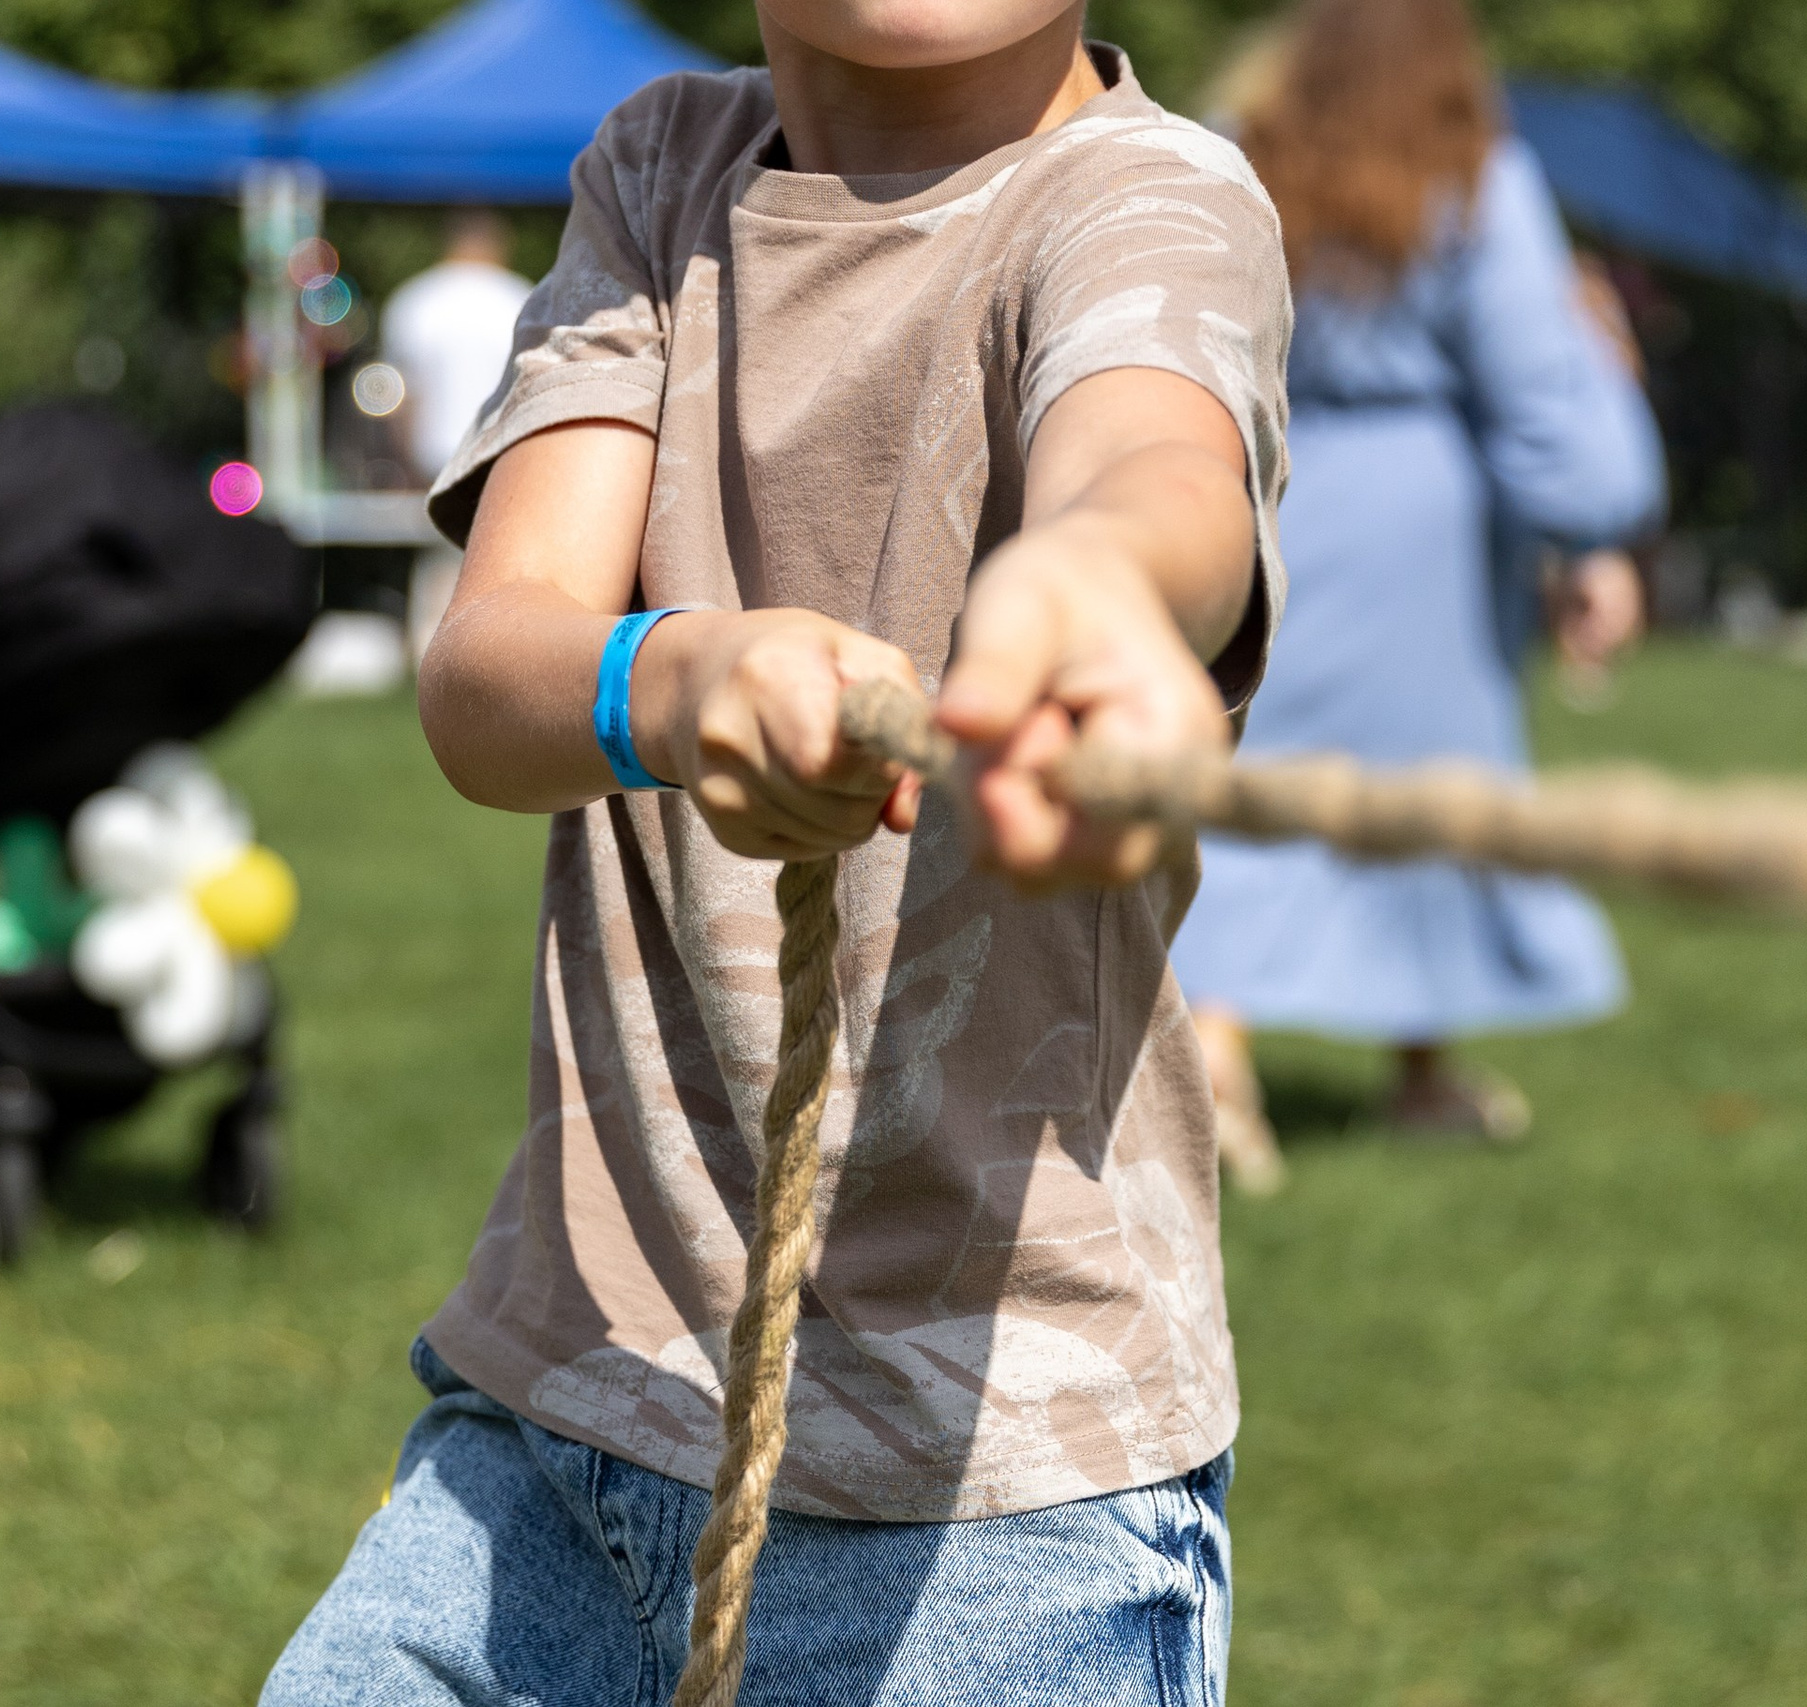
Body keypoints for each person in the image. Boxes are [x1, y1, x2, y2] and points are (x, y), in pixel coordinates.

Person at [259, 0, 1293, 1700]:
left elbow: (1152, 454)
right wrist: (665, 675)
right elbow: (492, 665)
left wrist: (1091, 590)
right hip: (556, 1410)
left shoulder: (1149, 197)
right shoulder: (663, 174)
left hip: (995, 1498)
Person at [1170, 0, 1663, 1189]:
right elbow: (1540, 396)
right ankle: (1393, 1070)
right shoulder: (1475, 174)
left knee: (1255, 770)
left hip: (1263, 493)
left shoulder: (1229, 142)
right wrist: (1596, 526)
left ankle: (1229, 1045)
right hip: (1425, 542)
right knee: (1433, 801)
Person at [382, 211, 536, 662]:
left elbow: (401, 395)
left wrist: (405, 456)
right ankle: (494, 652)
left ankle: (431, 655)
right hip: (503, 447)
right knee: (500, 555)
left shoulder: (414, 300)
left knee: (437, 563)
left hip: (435, 452)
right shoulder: (522, 296)